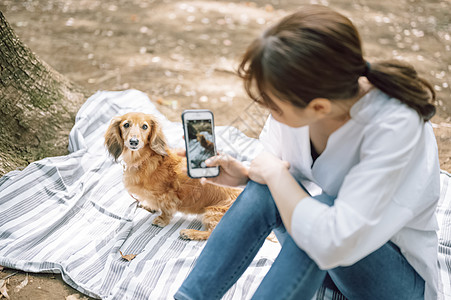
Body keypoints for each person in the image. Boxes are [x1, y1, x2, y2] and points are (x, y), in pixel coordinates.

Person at [174, 5, 440, 300]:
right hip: (325, 263)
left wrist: (275, 175)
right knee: (267, 191)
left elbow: (332, 238)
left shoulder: (394, 127)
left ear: (318, 108)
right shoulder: (306, 93)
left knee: (321, 210)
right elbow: (276, 170)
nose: (269, 112)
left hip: (391, 281)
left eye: (274, 106)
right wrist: (247, 175)